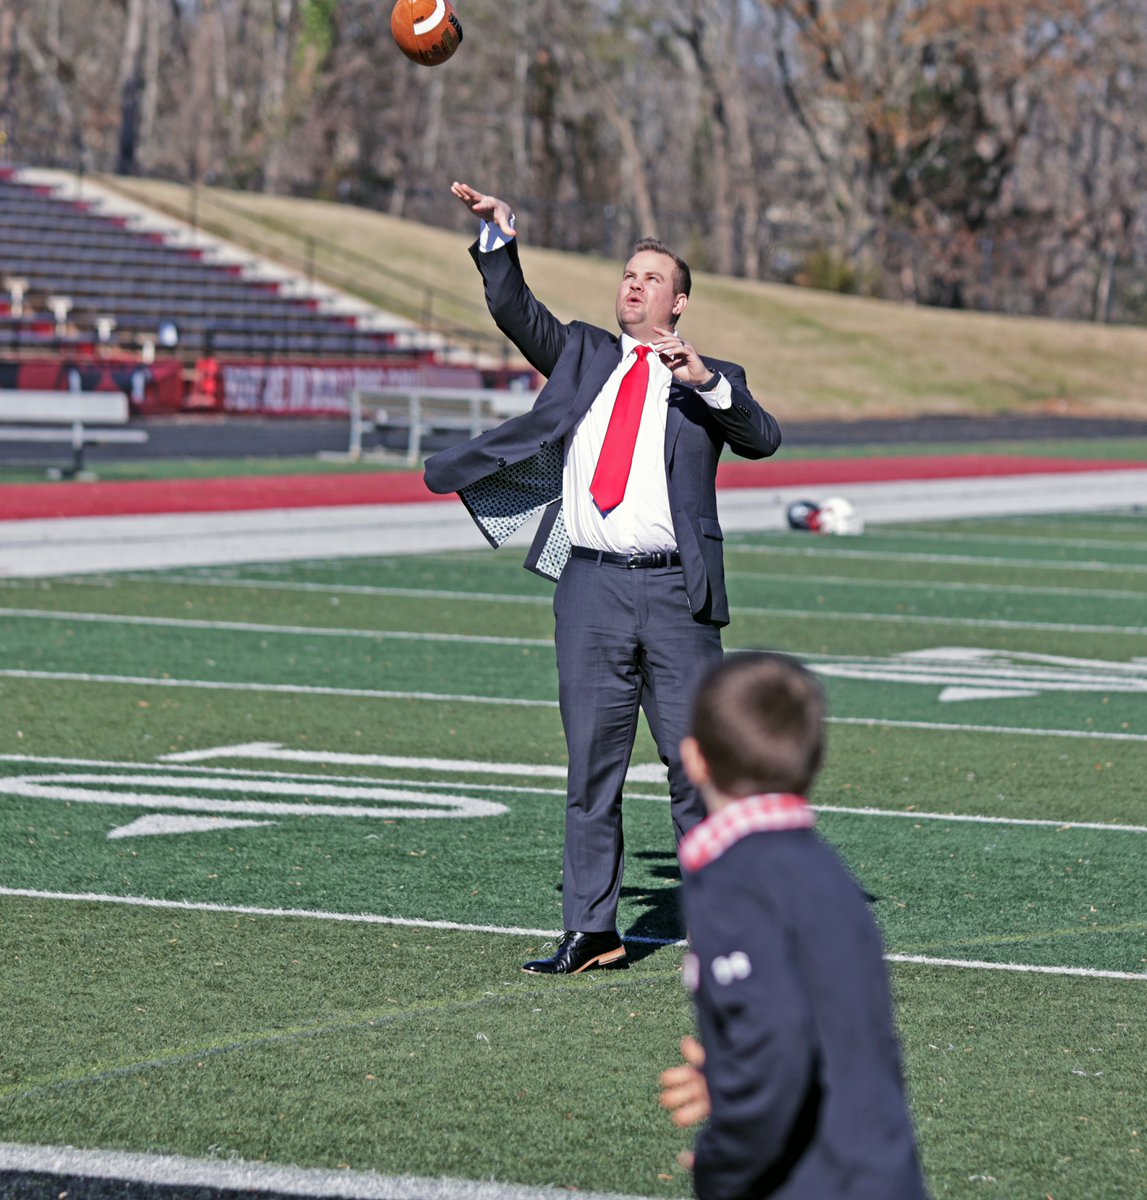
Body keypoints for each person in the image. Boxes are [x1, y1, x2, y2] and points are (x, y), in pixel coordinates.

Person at [424, 182, 781, 975]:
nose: (632, 284)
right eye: (626, 273)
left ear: (679, 301)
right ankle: (592, 931)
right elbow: (517, 311)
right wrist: (497, 239)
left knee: (697, 770)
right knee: (591, 770)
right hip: (587, 590)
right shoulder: (583, 353)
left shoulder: (709, 376)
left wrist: (705, 383)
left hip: (675, 597)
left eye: (650, 277)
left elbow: (762, 438)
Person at [658, 651, 930, 1200]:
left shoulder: (735, 879)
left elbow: (776, 1041)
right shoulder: (819, 864)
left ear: (694, 760)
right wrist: (731, 1077)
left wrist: (722, 1164)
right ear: (816, 760)